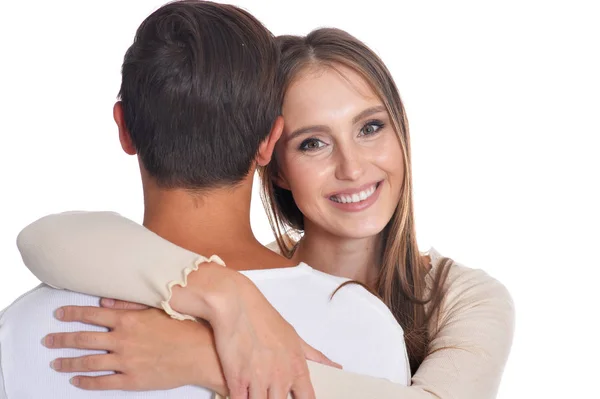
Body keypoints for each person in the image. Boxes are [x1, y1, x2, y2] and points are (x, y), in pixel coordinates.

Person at [16, 8, 515, 399]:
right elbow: (44, 238)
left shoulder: (464, 297)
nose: (352, 167)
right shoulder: (273, 287)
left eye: (370, 127)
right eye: (312, 143)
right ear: (270, 154)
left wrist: (208, 358)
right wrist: (228, 297)